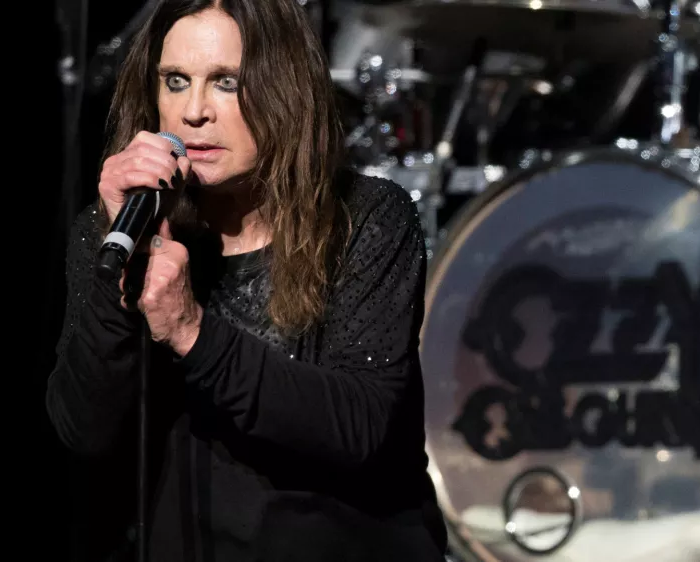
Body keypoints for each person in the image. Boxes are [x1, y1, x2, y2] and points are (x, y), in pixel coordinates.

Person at [45, 0, 448, 559]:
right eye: (176, 81)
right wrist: (117, 279)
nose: (193, 111)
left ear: (283, 88)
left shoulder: (367, 217)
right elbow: (82, 428)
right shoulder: (118, 225)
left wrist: (191, 330)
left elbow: (363, 426)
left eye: (226, 82)